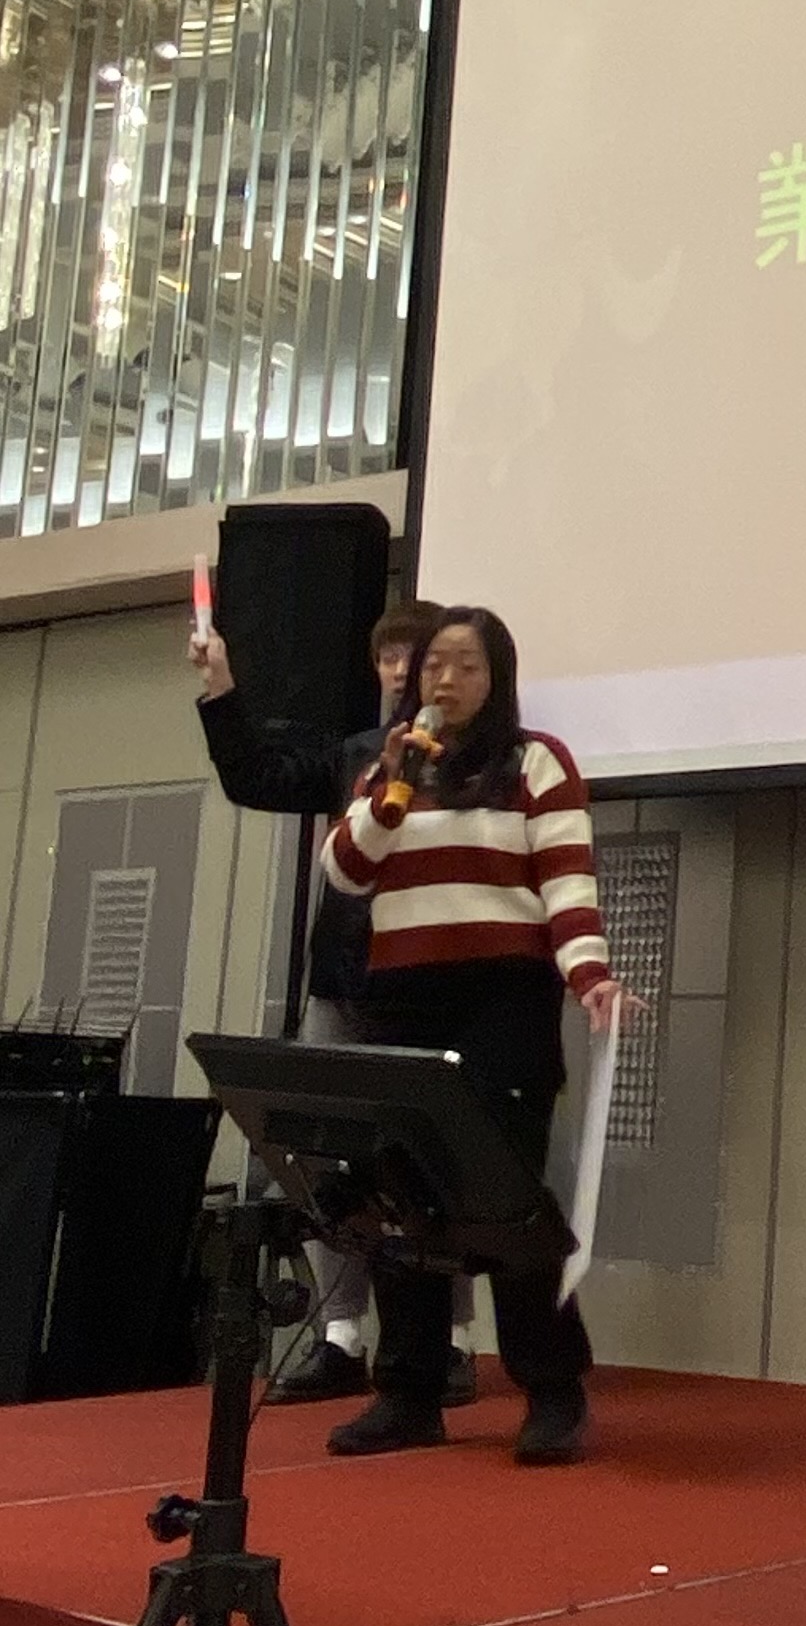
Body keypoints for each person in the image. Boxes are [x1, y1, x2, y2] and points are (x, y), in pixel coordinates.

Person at [319, 607, 633, 1470]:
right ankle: (409, 1392)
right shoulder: (390, 765)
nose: (446, 681)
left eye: (467, 665)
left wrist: (590, 977)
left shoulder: (535, 762)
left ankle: (553, 1387)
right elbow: (346, 873)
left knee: (505, 1196)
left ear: (497, 681)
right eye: (434, 665)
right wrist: (390, 790)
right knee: (402, 1195)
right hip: (402, 996)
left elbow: (566, 884)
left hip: (505, 998)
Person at [190, 591, 478, 1408]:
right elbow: (257, 776)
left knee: (436, 1161)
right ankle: (341, 1336)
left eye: (411, 657)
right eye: (386, 657)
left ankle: (451, 1342)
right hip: (343, 978)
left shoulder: (475, 763)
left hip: (430, 986)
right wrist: (221, 687)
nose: (396, 671)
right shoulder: (354, 751)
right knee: (327, 1156)